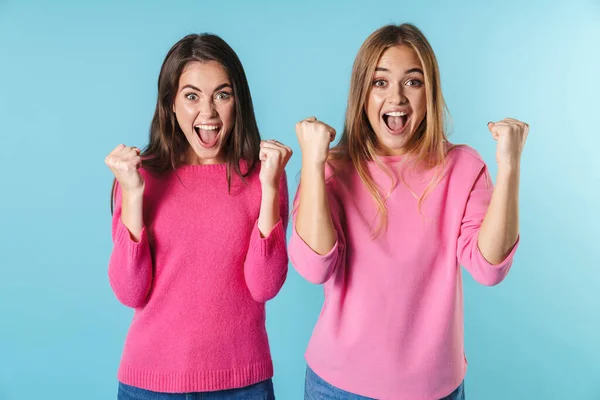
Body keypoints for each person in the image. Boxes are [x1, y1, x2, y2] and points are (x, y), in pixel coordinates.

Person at [289, 23, 528, 400]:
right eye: (380, 82)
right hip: (337, 387)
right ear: (361, 93)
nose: (396, 97)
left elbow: (489, 268)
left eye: (413, 82)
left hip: (435, 389)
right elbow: (314, 266)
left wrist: (510, 166)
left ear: (429, 93)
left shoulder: (463, 168)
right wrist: (315, 164)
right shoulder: (332, 169)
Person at [105, 33, 292, 400]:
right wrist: (132, 193)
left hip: (243, 385)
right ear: (171, 104)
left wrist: (269, 189)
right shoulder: (138, 177)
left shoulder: (264, 174)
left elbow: (265, 286)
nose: (207, 113)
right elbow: (129, 291)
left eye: (222, 95)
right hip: (149, 385)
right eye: (192, 96)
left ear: (238, 102)